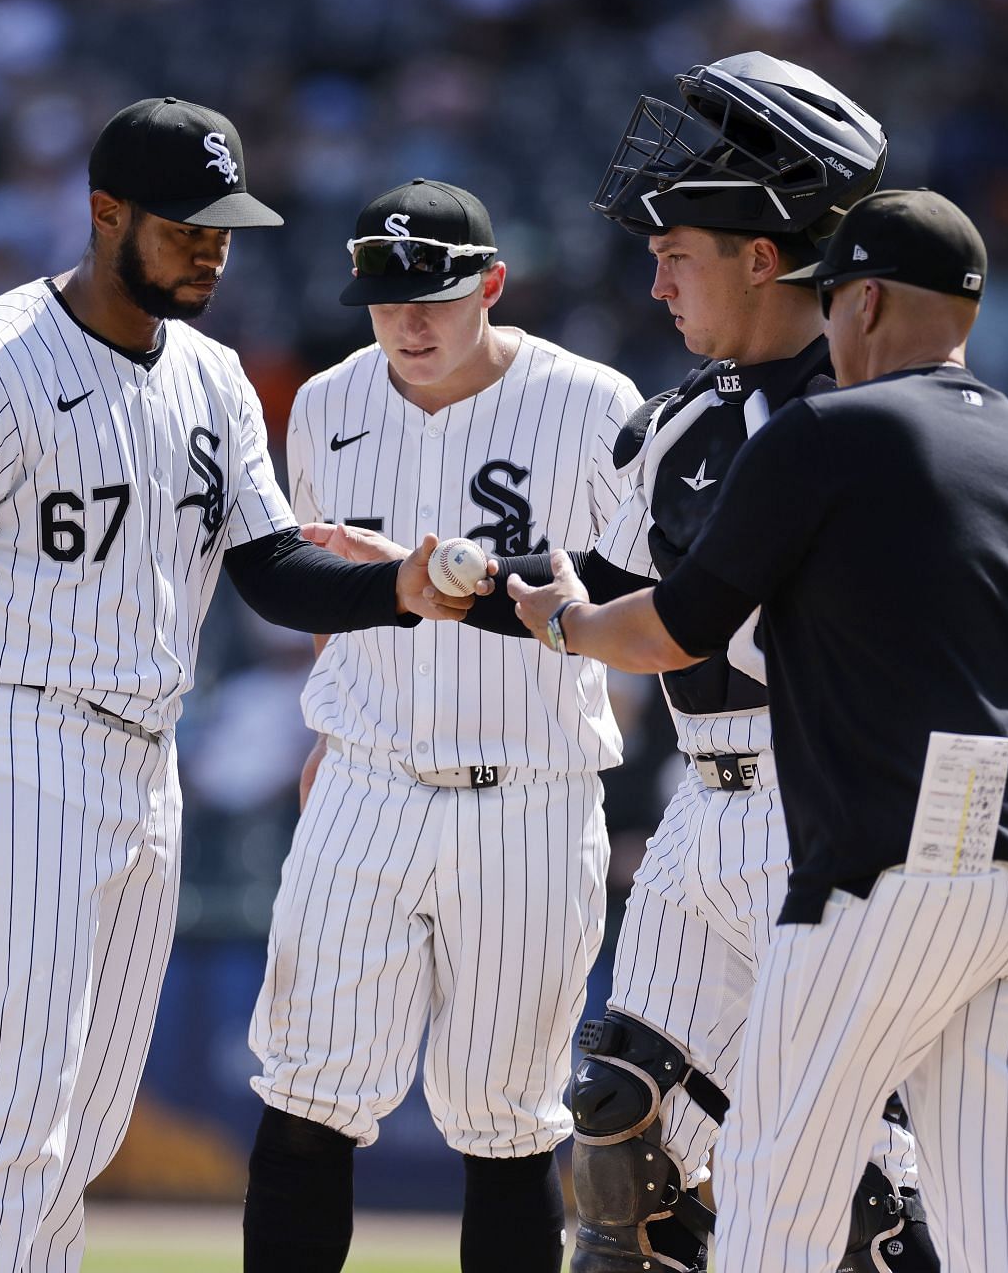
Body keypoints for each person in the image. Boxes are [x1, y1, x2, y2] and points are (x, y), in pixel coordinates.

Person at [0, 98, 484, 1273]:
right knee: (24, 1089)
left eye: (227, 229)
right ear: (105, 213)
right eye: (188, 228)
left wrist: (404, 592)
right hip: (4, 726)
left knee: (91, 1116)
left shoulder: (217, 377)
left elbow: (272, 570)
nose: (213, 249)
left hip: (143, 751)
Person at [309, 54, 932, 1272]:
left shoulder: (870, 415)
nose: (652, 283)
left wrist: (541, 609)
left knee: (860, 1188)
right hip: (702, 807)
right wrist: (438, 574)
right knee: (615, 1134)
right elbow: (588, 582)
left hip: (823, 803)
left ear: (765, 255)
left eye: (678, 253)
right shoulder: (685, 419)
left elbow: (670, 620)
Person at [509, 187, 1008, 1273]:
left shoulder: (827, 430)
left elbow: (675, 625)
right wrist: (993, 815)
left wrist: (562, 620)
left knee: (776, 1199)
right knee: (1005, 1232)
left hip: (894, 855)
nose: (827, 322)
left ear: (870, 299)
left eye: (835, 297)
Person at [240, 179, 639, 1273]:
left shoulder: (593, 402)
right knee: (306, 1092)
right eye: (386, 296)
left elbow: (637, 586)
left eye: (436, 294)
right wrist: (330, 737)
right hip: (366, 780)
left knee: (506, 1117)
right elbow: (321, 584)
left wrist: (460, 581)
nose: (410, 321)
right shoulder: (327, 400)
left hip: (530, 789)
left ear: (492, 286)